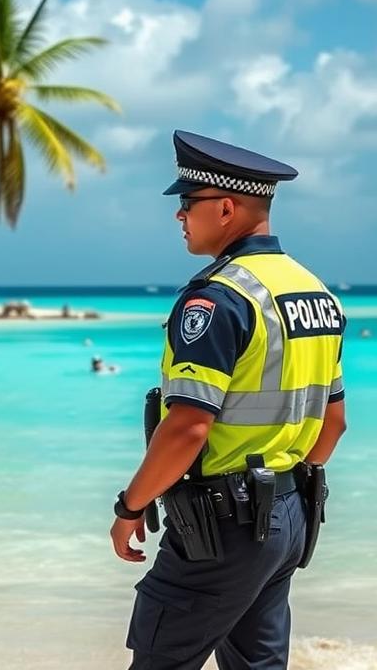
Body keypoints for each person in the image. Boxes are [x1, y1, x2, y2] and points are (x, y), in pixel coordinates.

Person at [110, 130, 348, 669]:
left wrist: (132, 505)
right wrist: (281, 486)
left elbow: (188, 427)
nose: (179, 216)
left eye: (187, 204)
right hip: (287, 516)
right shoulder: (315, 294)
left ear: (224, 207)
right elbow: (332, 424)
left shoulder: (219, 298)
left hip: (222, 526)